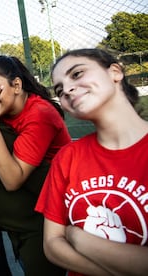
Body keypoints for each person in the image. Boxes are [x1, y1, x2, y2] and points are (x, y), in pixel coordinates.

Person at [35, 48, 148, 275]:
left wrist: (78, 238)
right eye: (59, 89)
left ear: (115, 72)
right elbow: (52, 245)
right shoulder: (67, 157)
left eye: (77, 74)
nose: (66, 90)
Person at [0, 55, 70, 275]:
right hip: (27, 206)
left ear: (16, 85)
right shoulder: (4, 112)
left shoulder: (39, 113)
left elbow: (12, 180)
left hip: (51, 211)